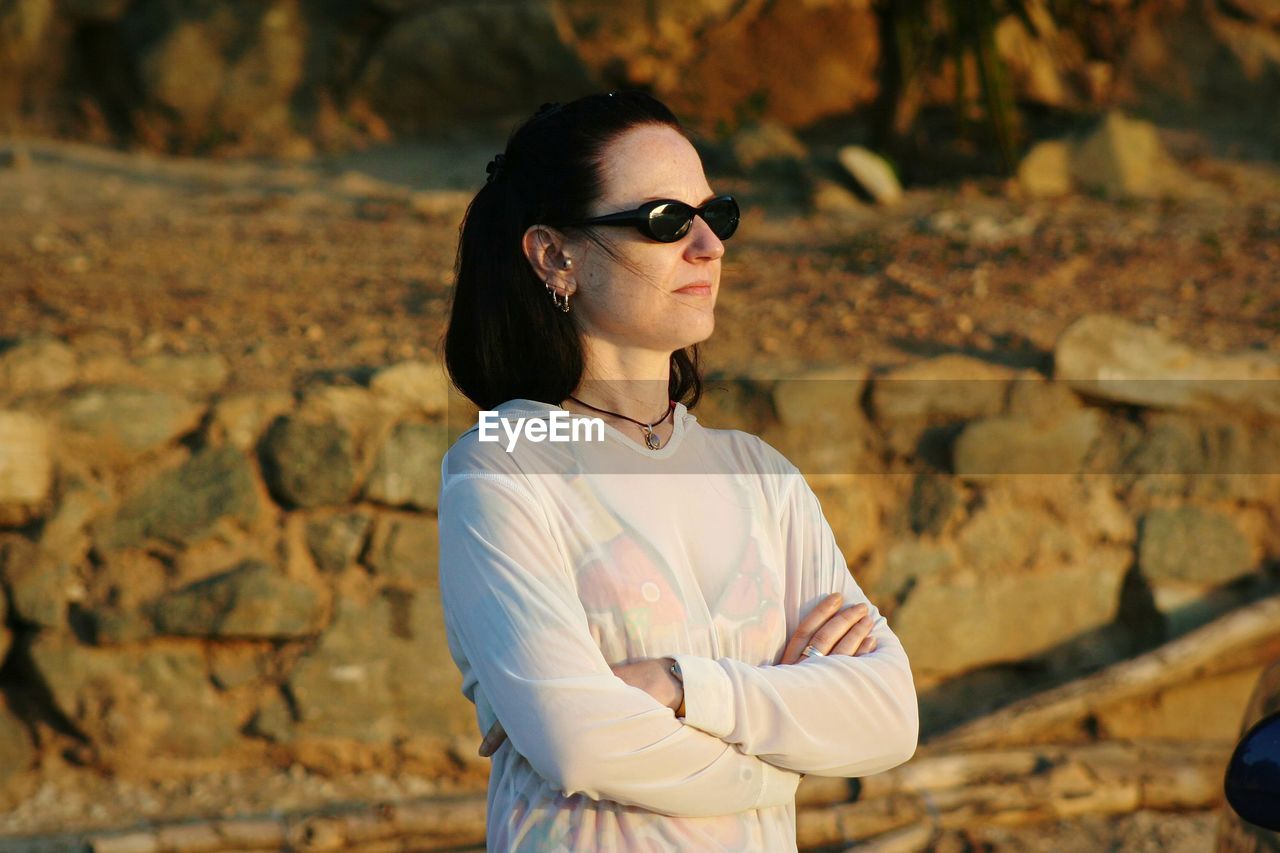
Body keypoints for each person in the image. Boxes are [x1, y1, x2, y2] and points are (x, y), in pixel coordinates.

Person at [437, 91, 918, 851]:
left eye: (714, 214)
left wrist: (676, 684)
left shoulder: (759, 474)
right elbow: (580, 742)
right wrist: (781, 760)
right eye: (664, 221)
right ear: (555, 254)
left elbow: (889, 715)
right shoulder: (501, 469)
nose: (709, 246)